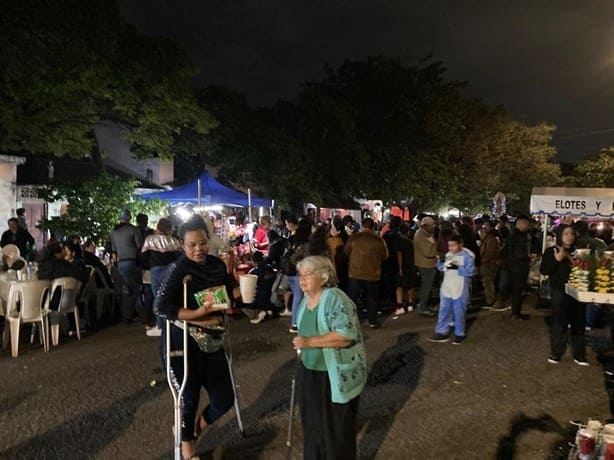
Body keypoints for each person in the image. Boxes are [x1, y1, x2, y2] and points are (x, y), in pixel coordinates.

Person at [155, 215, 237, 460]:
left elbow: (228, 290)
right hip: (182, 343)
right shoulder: (178, 269)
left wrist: (241, 289)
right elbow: (161, 306)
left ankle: (191, 433)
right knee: (188, 399)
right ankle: (188, 451)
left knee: (224, 399)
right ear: (183, 245)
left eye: (202, 243)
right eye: (192, 245)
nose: (199, 249)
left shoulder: (216, 265)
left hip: (211, 341)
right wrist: (195, 314)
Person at [292, 256, 367, 460]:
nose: (302, 279)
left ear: (323, 276)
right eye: (301, 275)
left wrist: (308, 342)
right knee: (313, 428)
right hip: (310, 373)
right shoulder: (306, 300)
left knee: (335, 433)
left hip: (333, 377)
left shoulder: (335, 297)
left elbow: (345, 336)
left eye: (308, 274)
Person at [540, 225, 589, 366]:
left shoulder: (580, 251)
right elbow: (545, 270)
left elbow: (587, 270)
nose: (569, 236)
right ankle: (556, 353)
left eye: (572, 233)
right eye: (566, 234)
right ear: (560, 235)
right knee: (560, 322)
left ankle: (579, 354)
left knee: (578, 322)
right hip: (559, 291)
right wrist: (557, 259)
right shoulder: (552, 251)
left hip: (578, 291)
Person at [428, 234, 475, 344]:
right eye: (449, 245)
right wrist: (439, 261)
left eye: (453, 245)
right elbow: (442, 268)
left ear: (460, 244)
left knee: (459, 311)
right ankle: (441, 331)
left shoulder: (467, 256)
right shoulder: (448, 254)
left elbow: (470, 272)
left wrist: (457, 267)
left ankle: (459, 333)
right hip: (447, 287)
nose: (451, 248)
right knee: (444, 310)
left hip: (460, 287)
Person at [141, 217, 183, 336]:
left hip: (155, 271)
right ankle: (173, 323)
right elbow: (180, 257)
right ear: (169, 229)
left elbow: (143, 257)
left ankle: (160, 326)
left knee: (157, 297)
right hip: (171, 270)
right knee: (171, 296)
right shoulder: (173, 241)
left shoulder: (150, 240)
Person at [345, 217, 388, 328]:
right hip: (373, 273)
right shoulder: (378, 240)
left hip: (355, 272)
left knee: (352, 298)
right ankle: (372, 321)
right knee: (372, 298)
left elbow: (346, 251)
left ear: (363, 226)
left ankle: (350, 320)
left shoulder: (354, 238)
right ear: (373, 227)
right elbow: (385, 255)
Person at [110, 209, 144, 324]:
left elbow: (113, 250)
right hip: (132, 262)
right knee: (135, 289)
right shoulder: (133, 230)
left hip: (120, 264)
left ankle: (128, 314)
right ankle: (139, 314)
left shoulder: (114, 231)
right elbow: (140, 247)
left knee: (126, 289)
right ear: (129, 217)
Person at [500, 215, 533, 320]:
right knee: (517, 291)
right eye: (527, 224)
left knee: (517, 291)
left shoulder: (513, 234)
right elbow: (519, 254)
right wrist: (528, 257)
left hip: (514, 267)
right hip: (518, 268)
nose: (528, 226)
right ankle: (516, 313)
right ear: (522, 223)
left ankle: (516, 312)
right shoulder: (519, 236)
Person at [285, 218, 312, 333]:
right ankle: (295, 323)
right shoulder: (306, 243)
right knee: (298, 298)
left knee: (297, 297)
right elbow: (306, 258)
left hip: (288, 272)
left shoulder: (292, 238)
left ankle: (298, 320)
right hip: (297, 273)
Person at [413, 216, 438, 317]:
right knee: (426, 287)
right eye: (431, 225)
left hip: (427, 263)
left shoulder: (424, 234)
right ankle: (423, 308)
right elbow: (428, 252)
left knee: (427, 287)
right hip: (426, 264)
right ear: (425, 226)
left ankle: (425, 306)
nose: (433, 227)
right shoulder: (421, 235)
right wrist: (435, 246)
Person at [393, 223, 416, 316]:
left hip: (403, 266)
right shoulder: (411, 242)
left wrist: (400, 267)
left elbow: (399, 255)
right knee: (410, 286)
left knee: (400, 287)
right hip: (411, 266)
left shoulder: (399, 242)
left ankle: (400, 306)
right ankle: (410, 303)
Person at [480, 221, 501, 309]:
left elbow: (489, 252)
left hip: (489, 264)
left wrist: (484, 261)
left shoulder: (491, 238)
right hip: (490, 262)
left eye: (487, 226)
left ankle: (490, 300)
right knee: (488, 282)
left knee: (488, 282)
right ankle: (490, 298)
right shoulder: (489, 237)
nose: (484, 227)